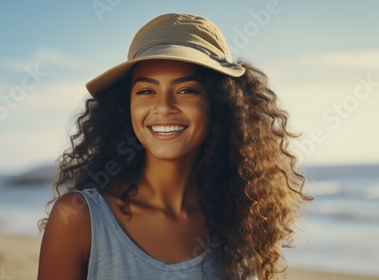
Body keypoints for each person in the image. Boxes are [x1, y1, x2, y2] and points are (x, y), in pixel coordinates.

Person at [37, 13, 311, 280]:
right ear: (126, 106)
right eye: (146, 91)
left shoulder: (244, 219)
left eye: (186, 90)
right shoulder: (77, 218)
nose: (164, 107)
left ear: (218, 104)